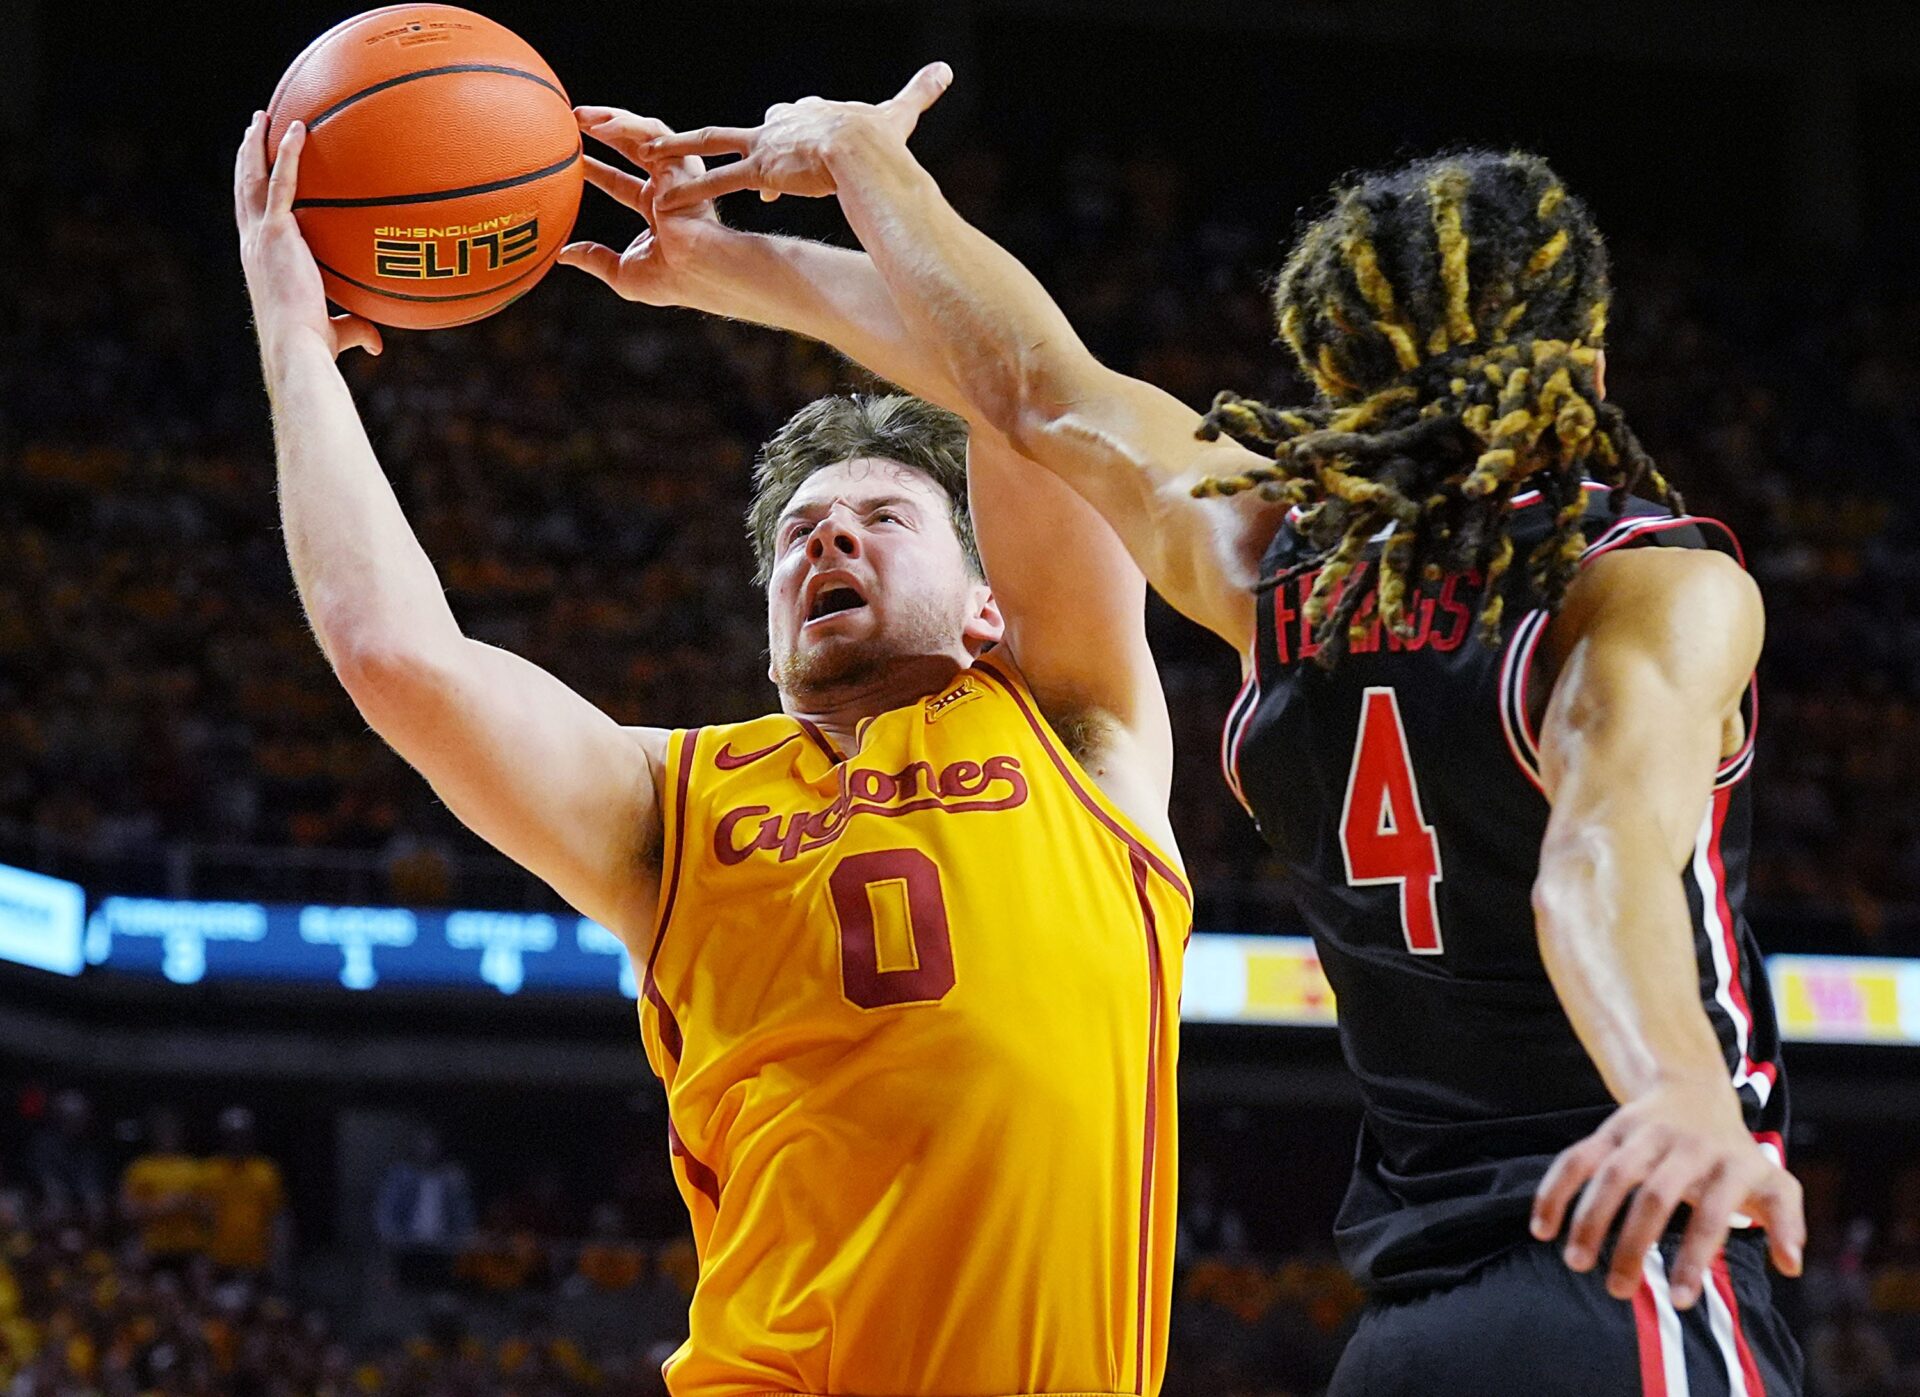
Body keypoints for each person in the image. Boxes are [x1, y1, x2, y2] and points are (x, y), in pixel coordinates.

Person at [632, 68, 1809, 1393]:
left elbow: (1027, 386)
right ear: (1582, 362)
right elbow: (1593, 861)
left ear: (1333, 368)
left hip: (1407, 1332)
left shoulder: (1267, 563)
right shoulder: (1644, 583)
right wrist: (1675, 1087)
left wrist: (780, 224)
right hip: (1632, 1253)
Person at [235, 106, 1190, 1396]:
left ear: (987, 604)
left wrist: (742, 266)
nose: (828, 539)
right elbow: (396, 653)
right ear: (769, 630)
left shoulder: (1075, 718)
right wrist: (295, 340)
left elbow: (1022, 390)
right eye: (800, 532)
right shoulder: (670, 802)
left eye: (884, 517)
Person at [199, 1106, 288, 1279]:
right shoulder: (210, 1171)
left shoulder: (265, 1171)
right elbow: (201, 1217)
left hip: (258, 1263)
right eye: (232, 1136)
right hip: (218, 1263)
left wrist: (279, 1259)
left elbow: (277, 1217)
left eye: (242, 1135)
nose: (237, 1141)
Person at [119, 1106, 208, 1270]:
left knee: (203, 1268)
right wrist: (163, 1206)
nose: (167, 1135)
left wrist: (189, 1203)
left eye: (171, 1130)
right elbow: (127, 1211)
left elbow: (208, 1210)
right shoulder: (140, 1168)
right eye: (162, 1130)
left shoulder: (194, 1168)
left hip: (189, 1245)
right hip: (153, 1246)